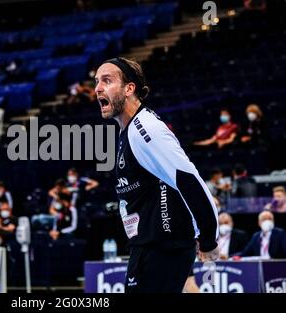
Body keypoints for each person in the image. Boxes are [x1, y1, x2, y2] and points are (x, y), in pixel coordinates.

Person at [94, 57, 219, 293]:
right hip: (148, 246)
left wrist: (209, 237)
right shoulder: (127, 131)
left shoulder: (145, 129)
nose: (97, 88)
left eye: (107, 81)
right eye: (97, 81)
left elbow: (188, 180)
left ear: (129, 88)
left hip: (163, 247)